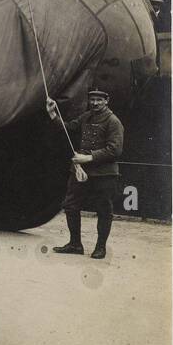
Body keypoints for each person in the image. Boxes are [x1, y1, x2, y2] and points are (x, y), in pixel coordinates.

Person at [48, 88, 124, 259]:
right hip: (81, 172)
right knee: (70, 206)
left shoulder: (113, 122)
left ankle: (100, 248)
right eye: (92, 100)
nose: (95, 103)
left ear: (107, 101)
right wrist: (53, 113)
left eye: (99, 100)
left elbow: (115, 150)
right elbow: (68, 129)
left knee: (104, 210)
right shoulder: (86, 117)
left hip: (104, 174)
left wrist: (87, 158)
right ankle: (75, 245)